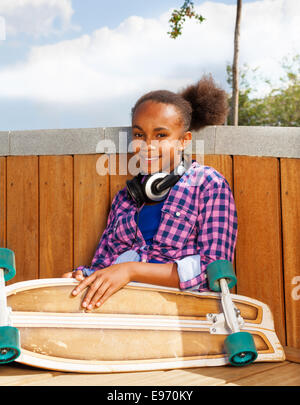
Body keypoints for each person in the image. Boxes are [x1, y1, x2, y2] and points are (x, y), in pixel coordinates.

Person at [62, 75, 238, 310]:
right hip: (123, 307)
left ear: (183, 140)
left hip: (180, 312)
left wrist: (131, 270)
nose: (147, 145)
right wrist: (84, 276)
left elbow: (213, 271)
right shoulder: (125, 198)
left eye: (161, 135)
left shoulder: (208, 184)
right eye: (139, 135)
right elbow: (104, 266)